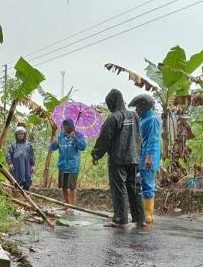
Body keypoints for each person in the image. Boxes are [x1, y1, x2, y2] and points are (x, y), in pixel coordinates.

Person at [91, 89, 145, 228]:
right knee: (135, 188)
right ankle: (140, 219)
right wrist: (139, 154)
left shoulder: (113, 118)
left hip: (118, 159)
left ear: (112, 102)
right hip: (134, 158)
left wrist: (96, 154)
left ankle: (120, 219)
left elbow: (104, 139)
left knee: (119, 189)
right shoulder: (134, 116)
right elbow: (139, 137)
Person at [129, 94, 161, 224]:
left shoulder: (152, 119)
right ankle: (142, 212)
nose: (137, 110)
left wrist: (149, 157)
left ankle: (148, 215)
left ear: (144, 107)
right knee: (141, 184)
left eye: (138, 107)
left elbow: (152, 139)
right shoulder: (143, 119)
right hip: (140, 156)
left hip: (148, 158)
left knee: (148, 184)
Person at [49, 118, 87, 209]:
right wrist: (53, 143)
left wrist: (75, 138)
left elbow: (83, 147)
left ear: (71, 126)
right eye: (64, 125)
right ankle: (66, 204)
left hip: (72, 166)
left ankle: (71, 206)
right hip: (62, 165)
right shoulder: (60, 137)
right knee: (64, 186)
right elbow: (52, 149)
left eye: (67, 125)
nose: (65, 127)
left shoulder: (78, 135)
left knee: (72, 187)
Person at [6, 126, 35, 190]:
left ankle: (26, 192)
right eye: (19, 134)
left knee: (27, 178)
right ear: (16, 135)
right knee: (15, 179)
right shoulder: (13, 145)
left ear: (24, 134)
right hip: (16, 166)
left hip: (26, 165)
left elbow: (32, 155)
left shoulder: (29, 145)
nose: (20, 135)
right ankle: (15, 192)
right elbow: (8, 154)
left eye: (22, 134)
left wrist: (33, 165)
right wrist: (10, 163)